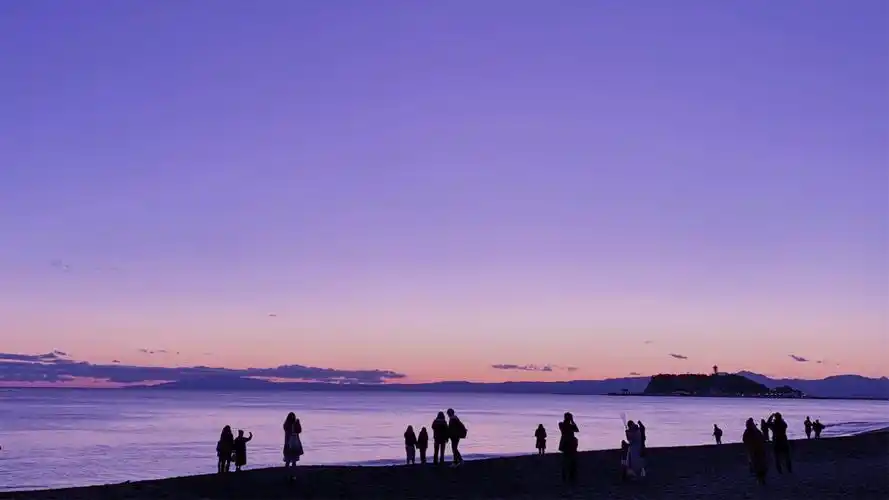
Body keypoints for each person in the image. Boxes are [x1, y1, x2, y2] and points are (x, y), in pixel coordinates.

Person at [743, 418, 768, 485]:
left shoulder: (751, 432)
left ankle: (761, 479)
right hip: (756, 450)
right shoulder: (753, 431)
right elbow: (762, 438)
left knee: (759, 465)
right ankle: (761, 479)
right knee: (759, 465)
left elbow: (745, 440)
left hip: (756, 450)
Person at [558, 412, 579, 484]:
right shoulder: (562, 424)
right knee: (567, 461)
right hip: (567, 444)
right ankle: (566, 477)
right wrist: (571, 421)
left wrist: (572, 421)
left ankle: (570, 477)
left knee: (571, 461)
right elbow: (565, 428)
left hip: (571, 444)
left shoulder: (569, 425)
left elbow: (577, 430)